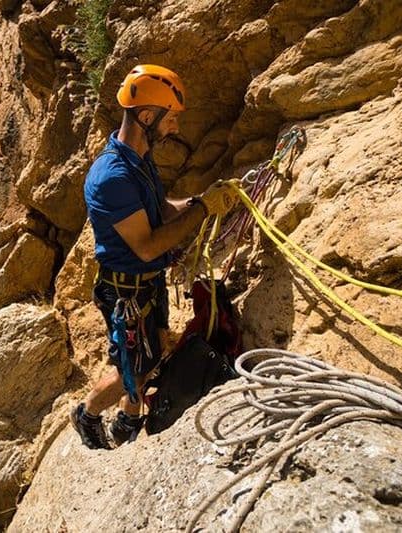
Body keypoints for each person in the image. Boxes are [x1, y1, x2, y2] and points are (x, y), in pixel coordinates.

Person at [70, 64, 239, 449]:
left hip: (146, 284)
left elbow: (160, 210)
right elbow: (147, 244)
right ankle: (87, 414)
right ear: (147, 116)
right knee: (127, 370)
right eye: (172, 118)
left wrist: (203, 200)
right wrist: (204, 211)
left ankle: (129, 418)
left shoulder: (138, 159)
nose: (176, 126)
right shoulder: (111, 177)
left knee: (148, 355)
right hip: (126, 292)